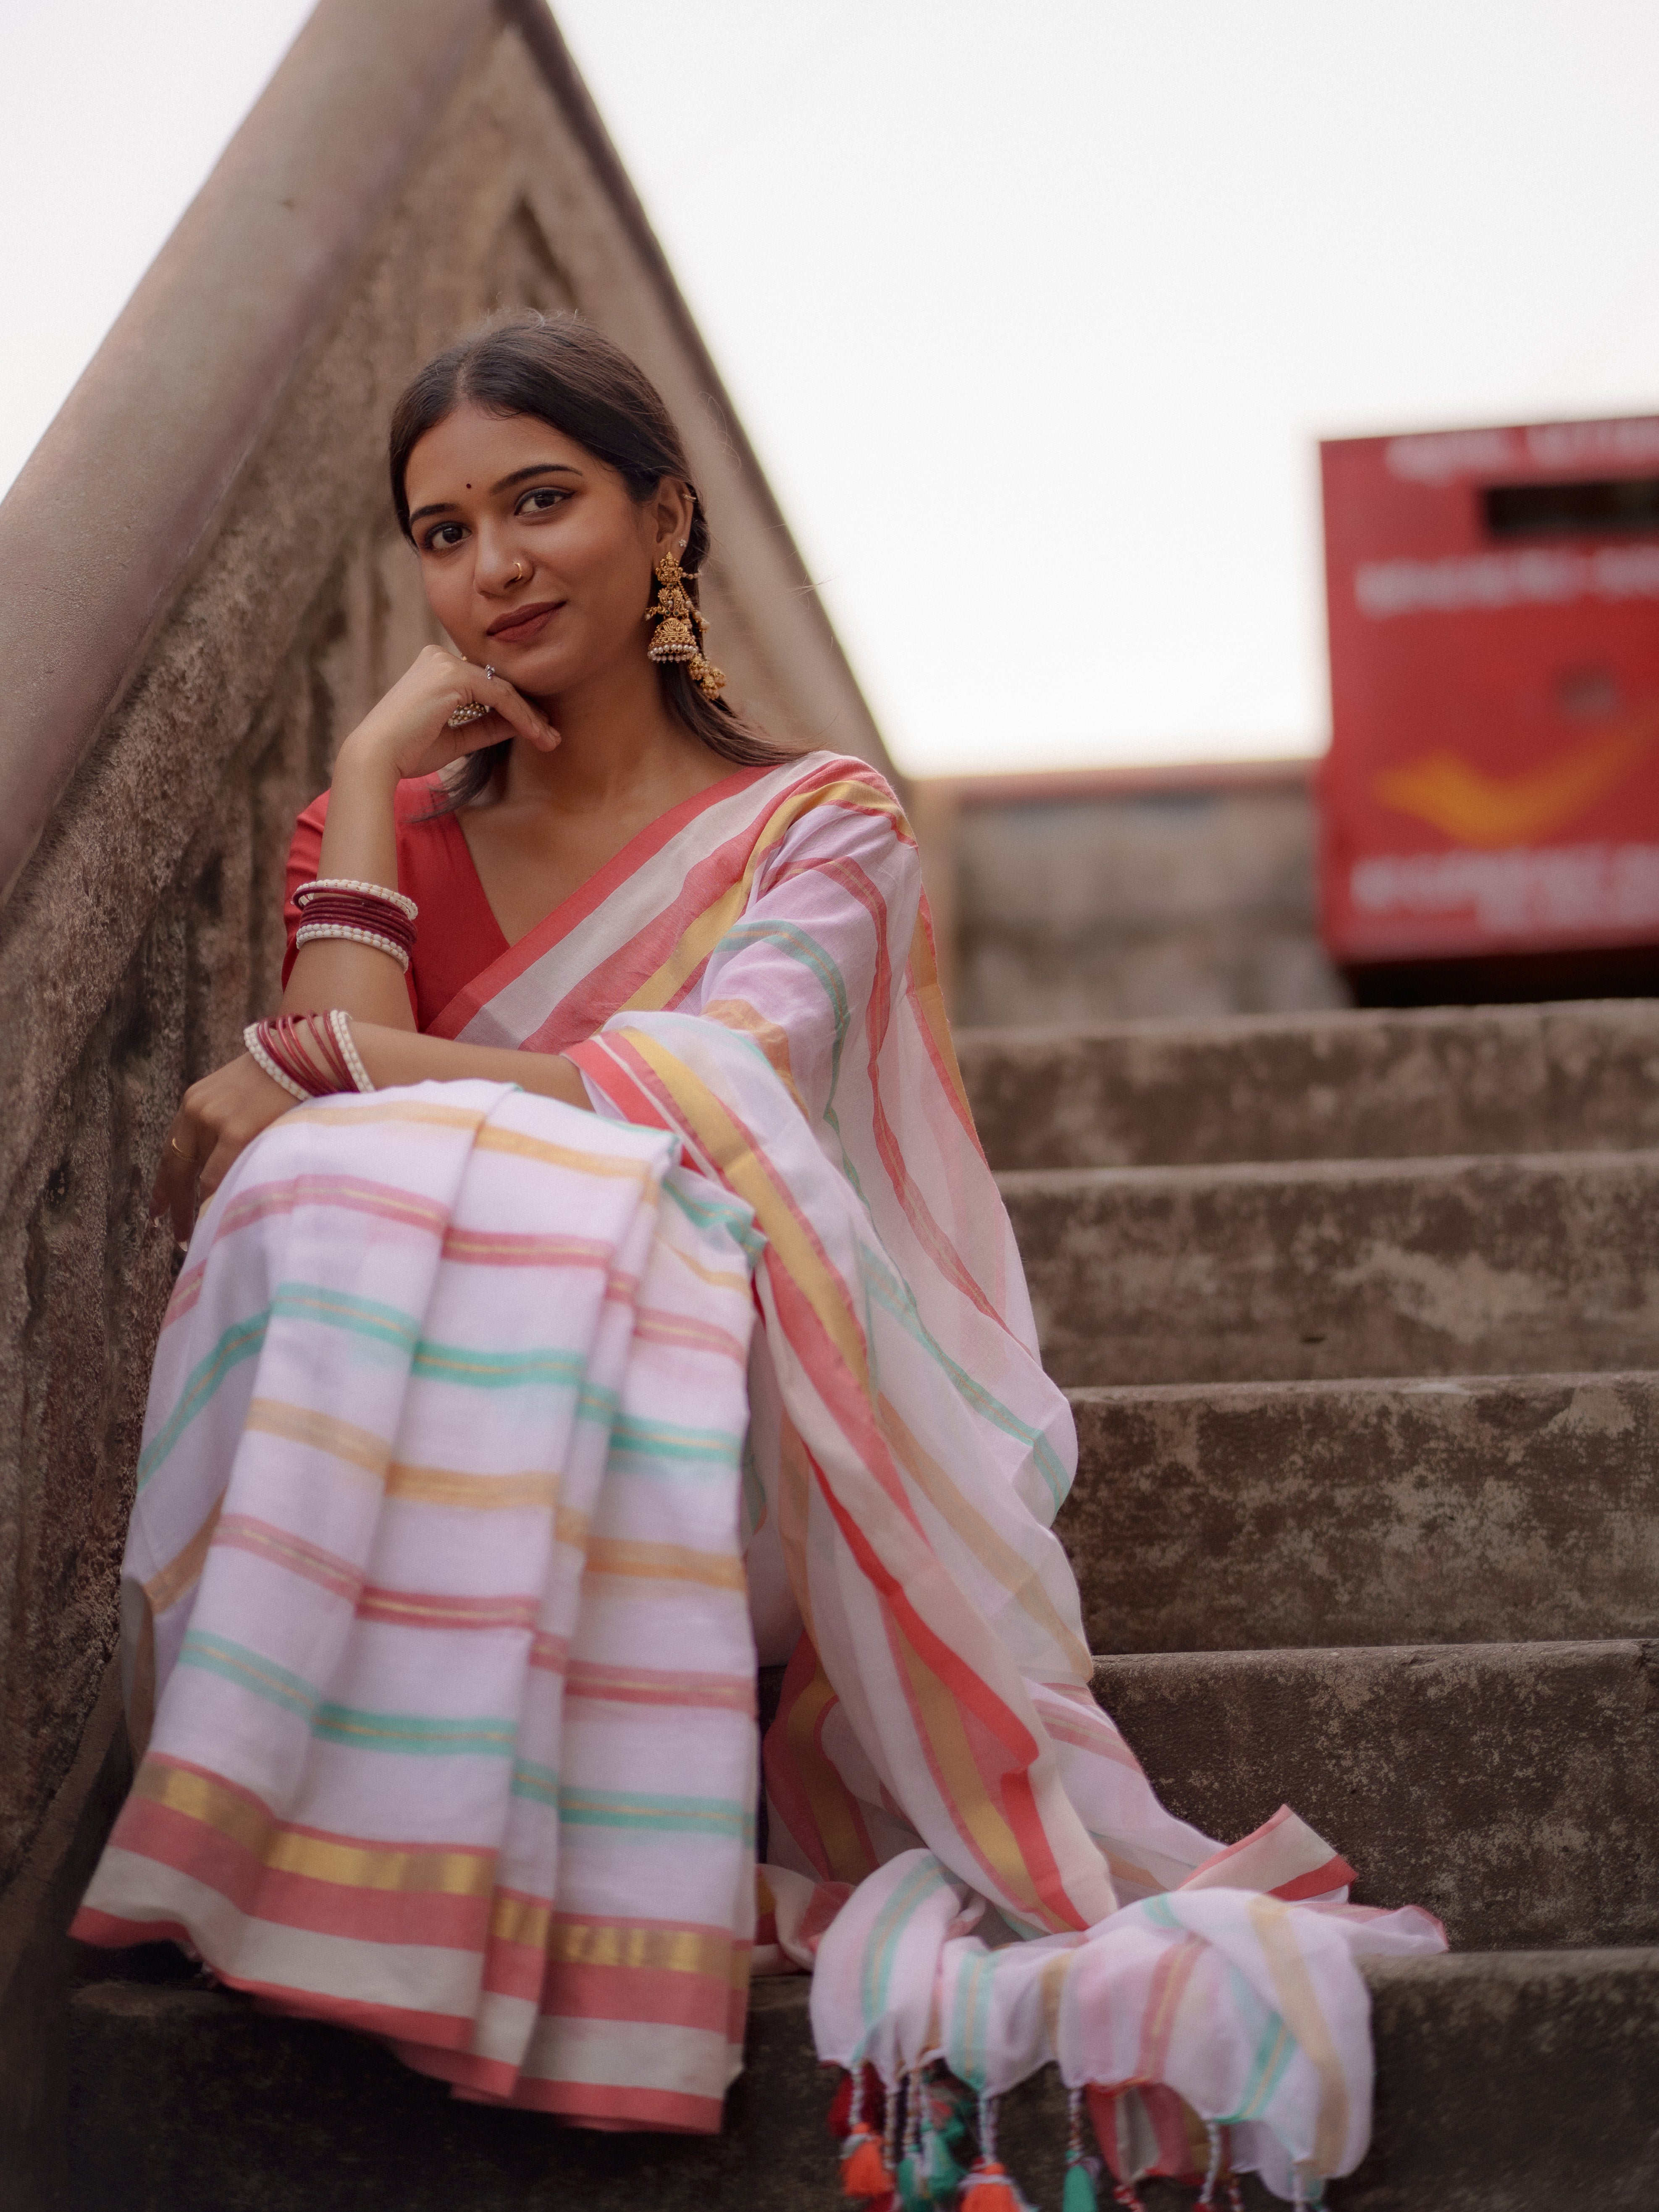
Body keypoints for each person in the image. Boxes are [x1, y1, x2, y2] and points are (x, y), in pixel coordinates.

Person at [74, 317, 1439, 2200]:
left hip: (737, 1421)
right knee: (333, 1192)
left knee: (530, 1181)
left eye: (541, 502)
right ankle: (298, 1835)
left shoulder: (822, 827)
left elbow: (713, 1099)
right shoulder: (377, 828)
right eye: (445, 531)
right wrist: (376, 769)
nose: (495, 566)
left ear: (664, 517)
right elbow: (327, 1133)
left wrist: (341, 1062)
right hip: (455, 1398)